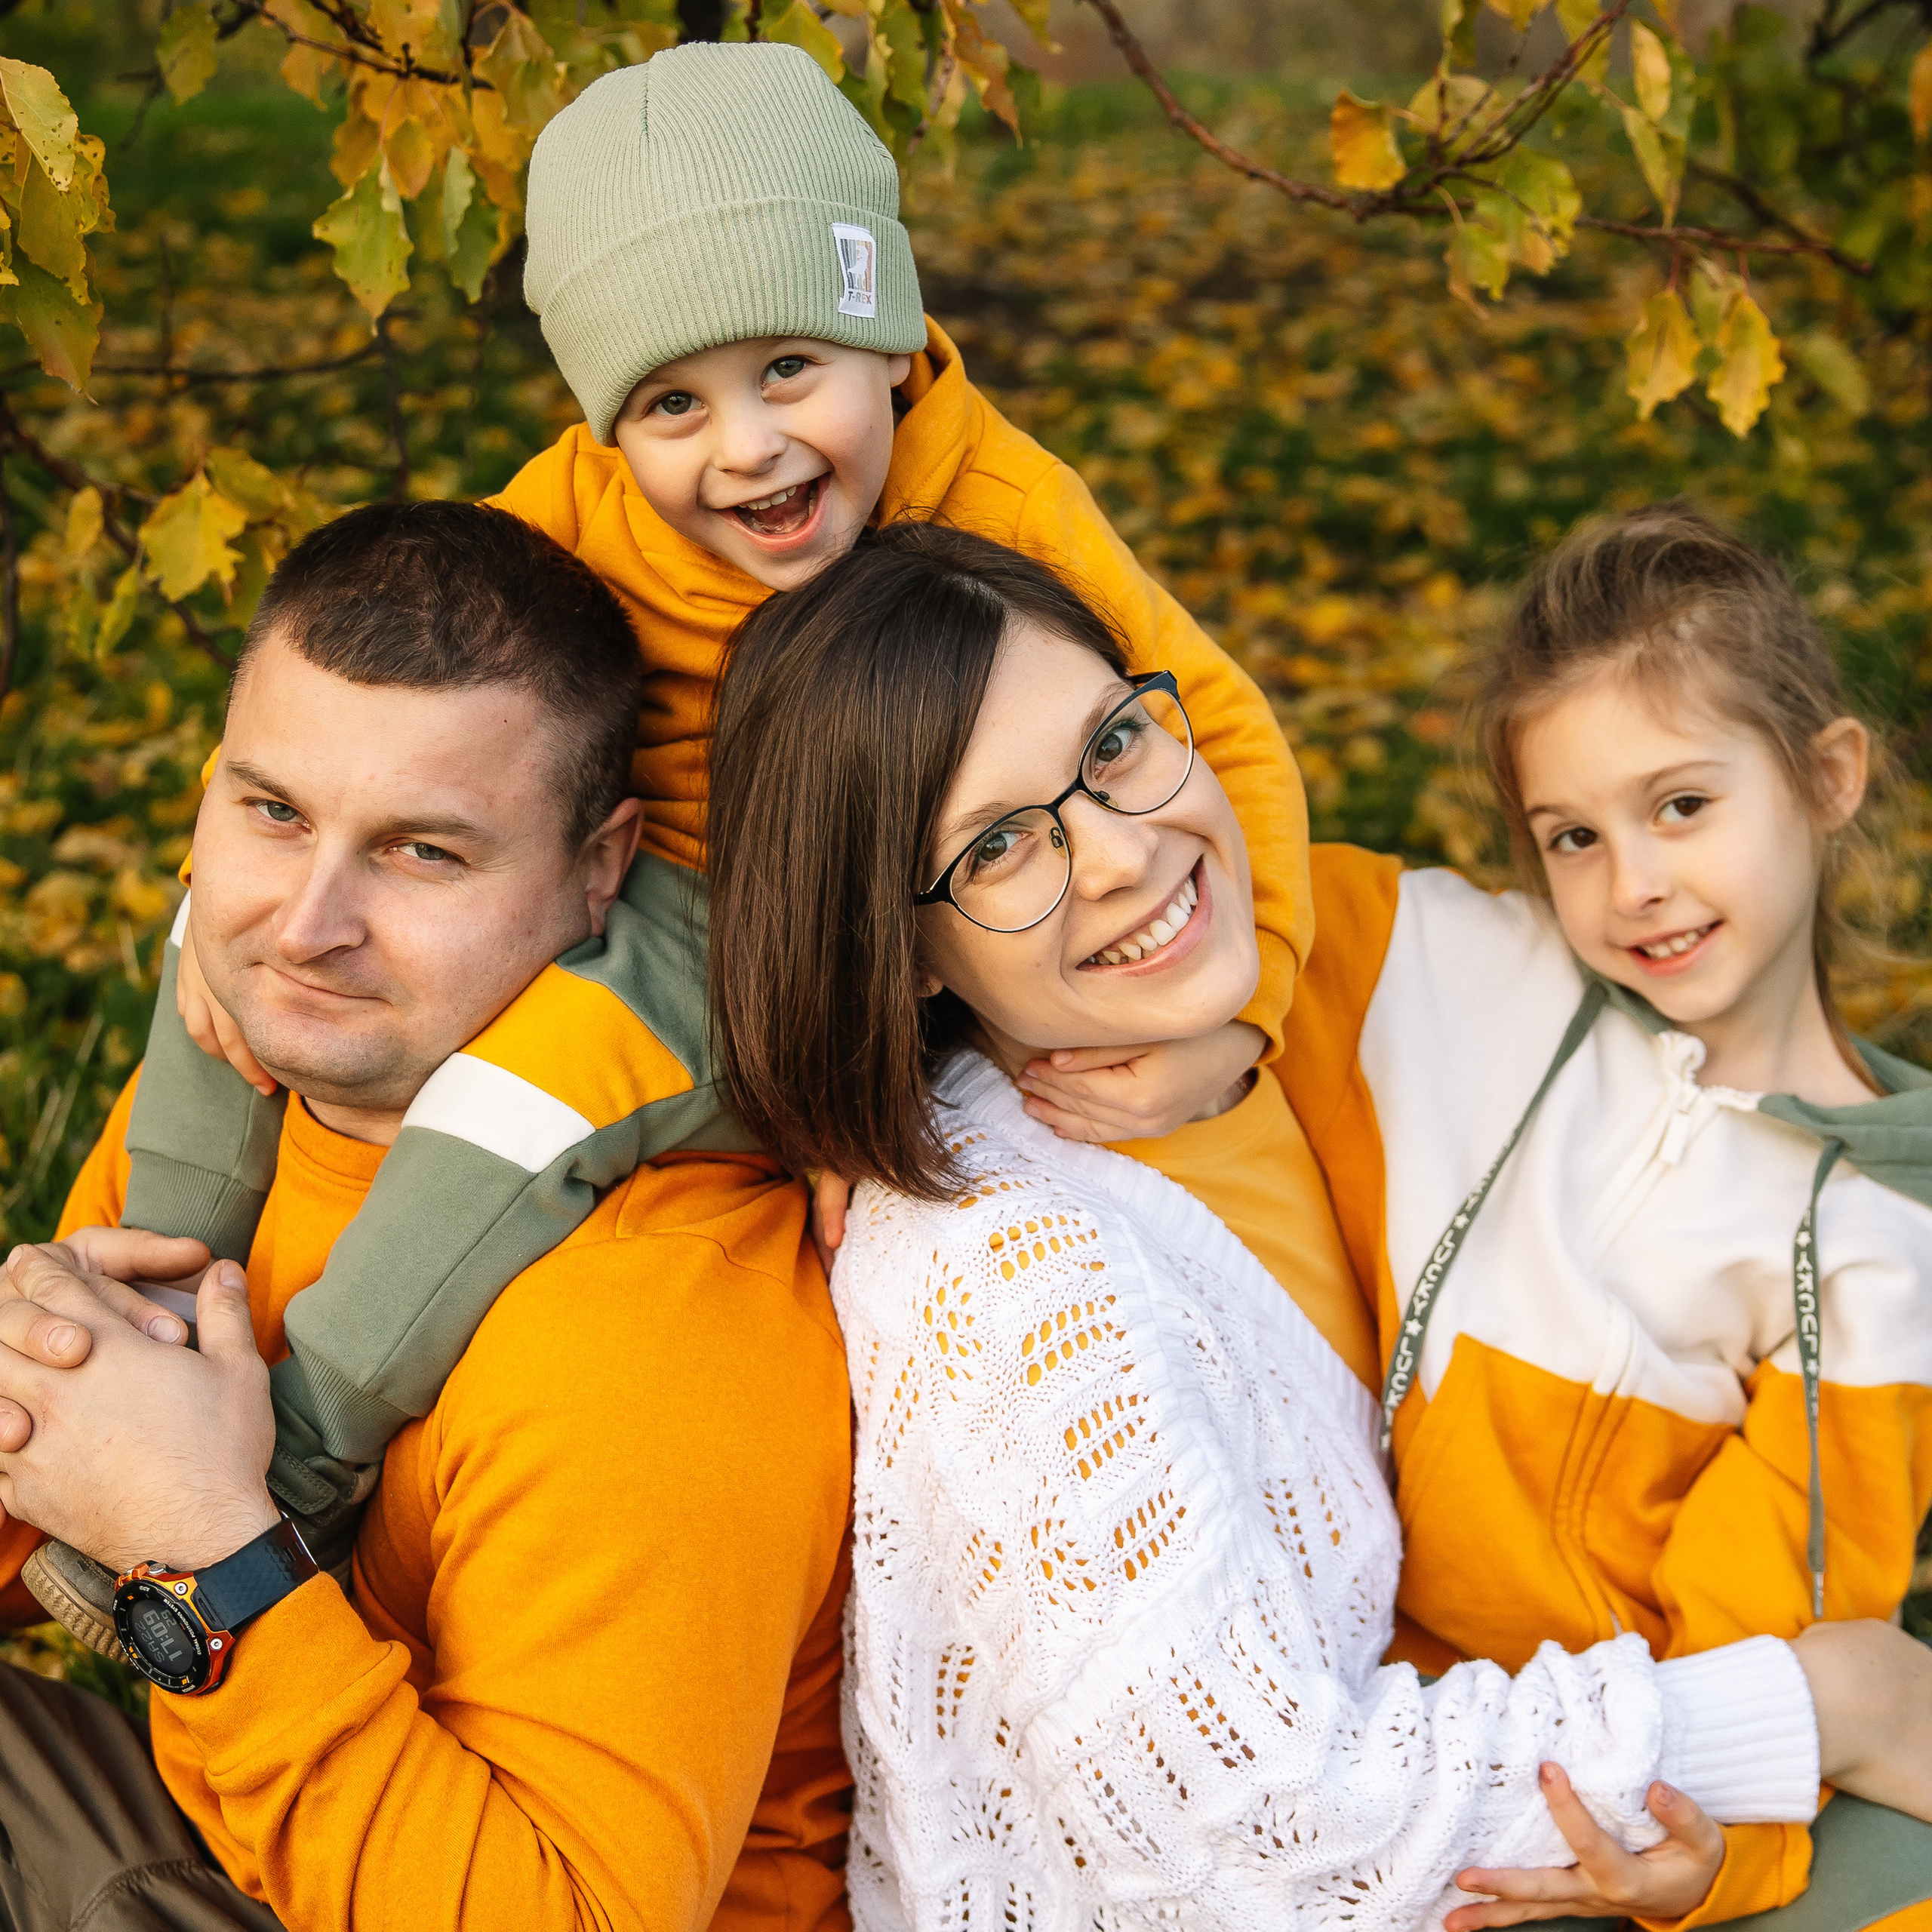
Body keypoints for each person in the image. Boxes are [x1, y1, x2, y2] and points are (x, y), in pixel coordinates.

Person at [83, 38, 1317, 1639]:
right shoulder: (570, 512)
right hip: (617, 847)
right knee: (219, 941)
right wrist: (242, 883)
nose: (745, 447)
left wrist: (1252, 995)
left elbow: (1215, 727)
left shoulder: (1002, 503)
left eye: (789, 366)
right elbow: (382, 663)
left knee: (531, 1099)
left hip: (773, 918)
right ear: (609, 425)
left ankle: (297, 1464)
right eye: (674, 401)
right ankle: (130, 1310)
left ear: (886, 339)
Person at [699, 520, 1932, 1931]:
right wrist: (1834, 1703)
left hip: (1524, 1778)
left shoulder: (1256, 1059)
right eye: (995, 849)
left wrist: (1243, 1028)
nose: (1115, 855)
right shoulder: (1022, 1278)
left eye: (1110, 750)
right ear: (899, 948)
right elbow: (1265, 1832)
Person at [0, 500, 853, 1932]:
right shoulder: (244, 1085)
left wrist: (203, 1555)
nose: (305, 923)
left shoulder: (647, 1326)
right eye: (274, 813)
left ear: (602, 868)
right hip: (234, 1840)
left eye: (422, 854)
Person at [1266, 504, 1932, 1925]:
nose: (1633, 885)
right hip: (1340, 1690)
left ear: (1826, 779)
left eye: (1682, 806)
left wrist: (1699, 1858)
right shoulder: (1441, 972)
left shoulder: (1873, 1235)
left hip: (1600, 1771)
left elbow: (1789, 1632)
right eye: (1572, 835)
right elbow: (1203, 849)